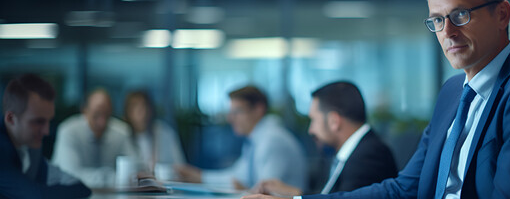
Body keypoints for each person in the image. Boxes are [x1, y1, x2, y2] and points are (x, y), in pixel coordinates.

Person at [243, 0, 510, 198]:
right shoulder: (452, 93)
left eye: (460, 15)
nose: (447, 32)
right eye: (437, 20)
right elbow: (405, 188)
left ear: (502, 14)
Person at [253, 81, 398, 197]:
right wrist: (295, 193)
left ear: (334, 121)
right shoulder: (344, 152)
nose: (310, 130)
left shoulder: (370, 155)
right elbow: (333, 196)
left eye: (314, 120)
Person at [175, 85, 307, 190]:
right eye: (231, 112)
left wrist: (246, 190)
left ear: (258, 110)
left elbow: (265, 190)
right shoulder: (256, 139)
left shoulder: (273, 140)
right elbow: (237, 176)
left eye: (237, 112)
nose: (230, 119)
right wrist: (199, 176)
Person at [0, 74, 91, 198]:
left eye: (49, 121)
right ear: (11, 119)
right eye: (38, 122)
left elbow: (81, 188)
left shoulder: (29, 148)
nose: (46, 131)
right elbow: (37, 196)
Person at [52, 88, 137, 188]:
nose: (102, 122)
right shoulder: (68, 131)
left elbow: (135, 169)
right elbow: (71, 176)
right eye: (96, 115)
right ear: (84, 110)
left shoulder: (122, 132)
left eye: (107, 115)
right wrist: (114, 178)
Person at [122, 90, 185, 173]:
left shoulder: (165, 133)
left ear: (151, 109)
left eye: (144, 107)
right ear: (128, 112)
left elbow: (181, 167)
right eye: (136, 107)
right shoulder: (122, 135)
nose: (142, 112)